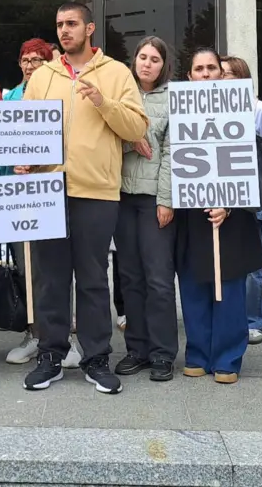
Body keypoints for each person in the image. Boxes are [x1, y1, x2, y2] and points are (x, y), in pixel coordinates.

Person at [15, 2, 148, 394]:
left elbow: (136, 126)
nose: (64, 30)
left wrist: (102, 102)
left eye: (72, 23)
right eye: (59, 24)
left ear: (89, 28)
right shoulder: (43, 77)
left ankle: (96, 358)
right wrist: (23, 162)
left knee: (93, 279)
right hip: (47, 190)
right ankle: (51, 355)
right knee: (50, 280)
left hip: (97, 190)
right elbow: (24, 130)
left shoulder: (117, 72)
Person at [174, 48, 262, 385]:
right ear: (190, 76)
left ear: (221, 73)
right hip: (192, 211)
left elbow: (255, 166)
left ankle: (228, 356)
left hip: (233, 213)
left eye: (212, 67)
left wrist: (229, 202)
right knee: (194, 284)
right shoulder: (179, 110)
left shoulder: (243, 110)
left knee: (229, 286)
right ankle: (198, 353)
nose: (206, 73)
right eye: (198, 68)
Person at [113, 36, 178, 382]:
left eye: (155, 58)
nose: (147, 64)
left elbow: (172, 153)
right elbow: (105, 138)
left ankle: (163, 352)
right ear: (134, 61)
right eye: (142, 57)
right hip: (121, 195)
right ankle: (136, 349)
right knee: (130, 277)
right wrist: (129, 136)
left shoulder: (172, 99)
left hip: (154, 198)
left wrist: (166, 199)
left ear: (163, 64)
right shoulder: (122, 94)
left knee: (159, 278)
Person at [2, 38, 59, 365]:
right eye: (25, 59)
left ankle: (61, 333)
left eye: (37, 59)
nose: (30, 64)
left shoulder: (56, 95)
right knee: (25, 268)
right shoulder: (8, 97)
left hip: (48, 193)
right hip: (14, 195)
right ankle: (34, 332)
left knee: (53, 267)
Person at [221, 55, 262, 346]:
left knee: (253, 262)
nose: (223, 77)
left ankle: (254, 320)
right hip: (222, 193)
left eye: (228, 73)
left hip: (251, 191)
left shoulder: (259, 108)